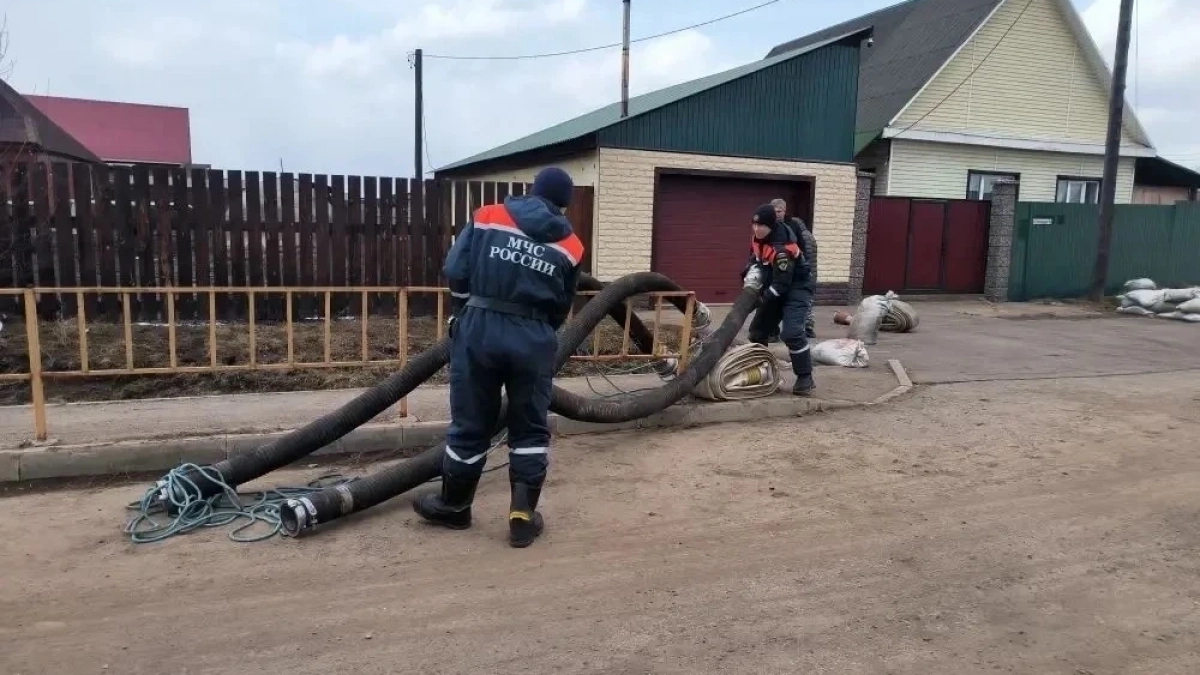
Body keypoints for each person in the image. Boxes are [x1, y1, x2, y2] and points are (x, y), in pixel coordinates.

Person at [413, 167, 584, 549]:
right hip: (534, 337)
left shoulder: (489, 216)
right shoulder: (571, 245)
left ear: (532, 191)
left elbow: (456, 268)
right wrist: (538, 330)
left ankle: (455, 506)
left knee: (470, 422)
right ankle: (522, 518)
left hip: (480, 329)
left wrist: (464, 311)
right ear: (563, 206)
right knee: (529, 428)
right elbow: (562, 304)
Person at [743, 203, 815, 396]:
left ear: (771, 226)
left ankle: (805, 378)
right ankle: (762, 374)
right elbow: (755, 259)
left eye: (761, 226)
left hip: (796, 288)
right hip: (776, 284)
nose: (757, 229)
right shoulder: (758, 239)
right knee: (757, 332)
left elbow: (781, 285)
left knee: (791, 333)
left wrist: (760, 300)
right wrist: (748, 274)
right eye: (754, 225)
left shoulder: (781, 249)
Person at [768, 198, 819, 340]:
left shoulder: (794, 228)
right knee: (774, 301)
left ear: (784, 211)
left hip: (795, 273)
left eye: (779, 211)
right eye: (774, 212)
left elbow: (803, 252)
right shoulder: (769, 226)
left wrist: (803, 271)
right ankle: (773, 330)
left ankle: (803, 329)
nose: (777, 214)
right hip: (777, 271)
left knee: (798, 303)